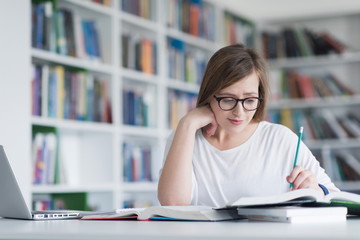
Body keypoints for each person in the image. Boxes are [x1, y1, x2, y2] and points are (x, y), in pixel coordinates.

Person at [157, 44, 338, 207]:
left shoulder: (280, 139)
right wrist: (187, 124)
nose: (239, 112)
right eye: (228, 99)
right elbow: (173, 203)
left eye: (250, 100)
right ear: (209, 95)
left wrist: (318, 190)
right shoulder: (184, 138)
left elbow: (340, 201)